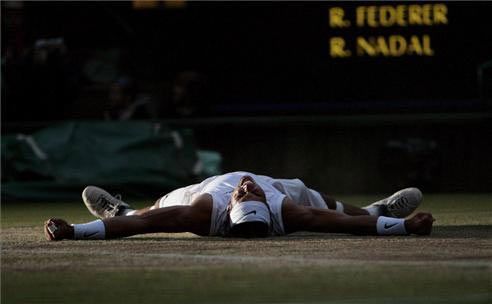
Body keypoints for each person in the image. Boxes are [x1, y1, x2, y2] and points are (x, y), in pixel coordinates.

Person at [44, 171, 435, 241]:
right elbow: (337, 224)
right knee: (318, 201)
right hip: (281, 194)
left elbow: (144, 229)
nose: (247, 187)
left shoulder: (204, 212)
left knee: (148, 215)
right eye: (252, 194)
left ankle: (121, 209)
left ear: (230, 206)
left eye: (244, 194)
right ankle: (376, 211)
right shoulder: (284, 209)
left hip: (204, 191)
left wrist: (75, 232)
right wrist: (404, 228)